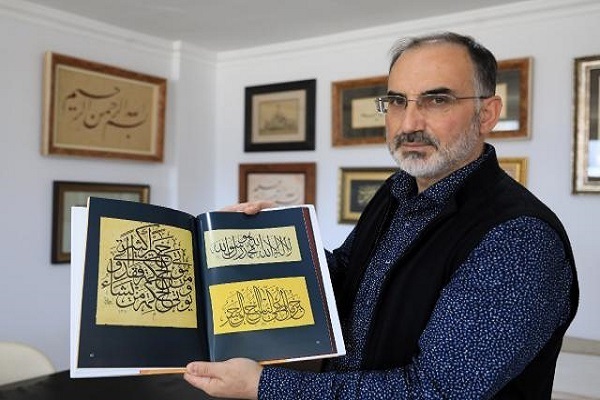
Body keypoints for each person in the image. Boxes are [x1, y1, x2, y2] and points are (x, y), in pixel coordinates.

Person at [183, 31, 579, 399]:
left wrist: (264, 386)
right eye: (397, 101)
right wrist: (281, 240)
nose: (409, 123)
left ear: (487, 114)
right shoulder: (397, 190)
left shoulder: (518, 238)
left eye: (436, 100)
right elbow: (345, 275)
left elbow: (436, 391)